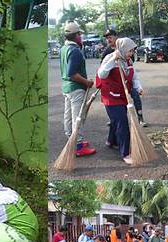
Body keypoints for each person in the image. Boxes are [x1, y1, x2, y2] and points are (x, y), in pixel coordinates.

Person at [97, 37, 144, 165]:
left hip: (123, 95)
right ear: (123, 49)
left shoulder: (128, 61)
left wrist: (138, 87)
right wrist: (113, 60)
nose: (131, 54)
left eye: (132, 51)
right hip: (111, 97)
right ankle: (125, 153)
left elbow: (134, 76)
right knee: (122, 123)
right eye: (130, 51)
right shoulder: (111, 58)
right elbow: (101, 74)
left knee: (116, 120)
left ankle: (111, 141)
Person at [59, 22, 96, 157]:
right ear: (76, 36)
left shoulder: (63, 48)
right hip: (75, 89)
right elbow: (72, 74)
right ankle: (78, 145)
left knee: (68, 117)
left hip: (67, 88)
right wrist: (87, 82)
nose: (81, 37)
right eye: (79, 34)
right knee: (77, 118)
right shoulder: (75, 51)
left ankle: (72, 140)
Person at [101, 29, 148, 127]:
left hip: (127, 83)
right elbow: (102, 72)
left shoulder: (127, 48)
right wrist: (112, 59)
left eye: (110, 37)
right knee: (116, 107)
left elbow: (132, 72)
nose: (108, 40)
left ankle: (140, 118)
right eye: (107, 38)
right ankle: (114, 119)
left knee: (136, 96)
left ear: (115, 37)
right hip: (115, 86)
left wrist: (138, 87)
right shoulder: (108, 52)